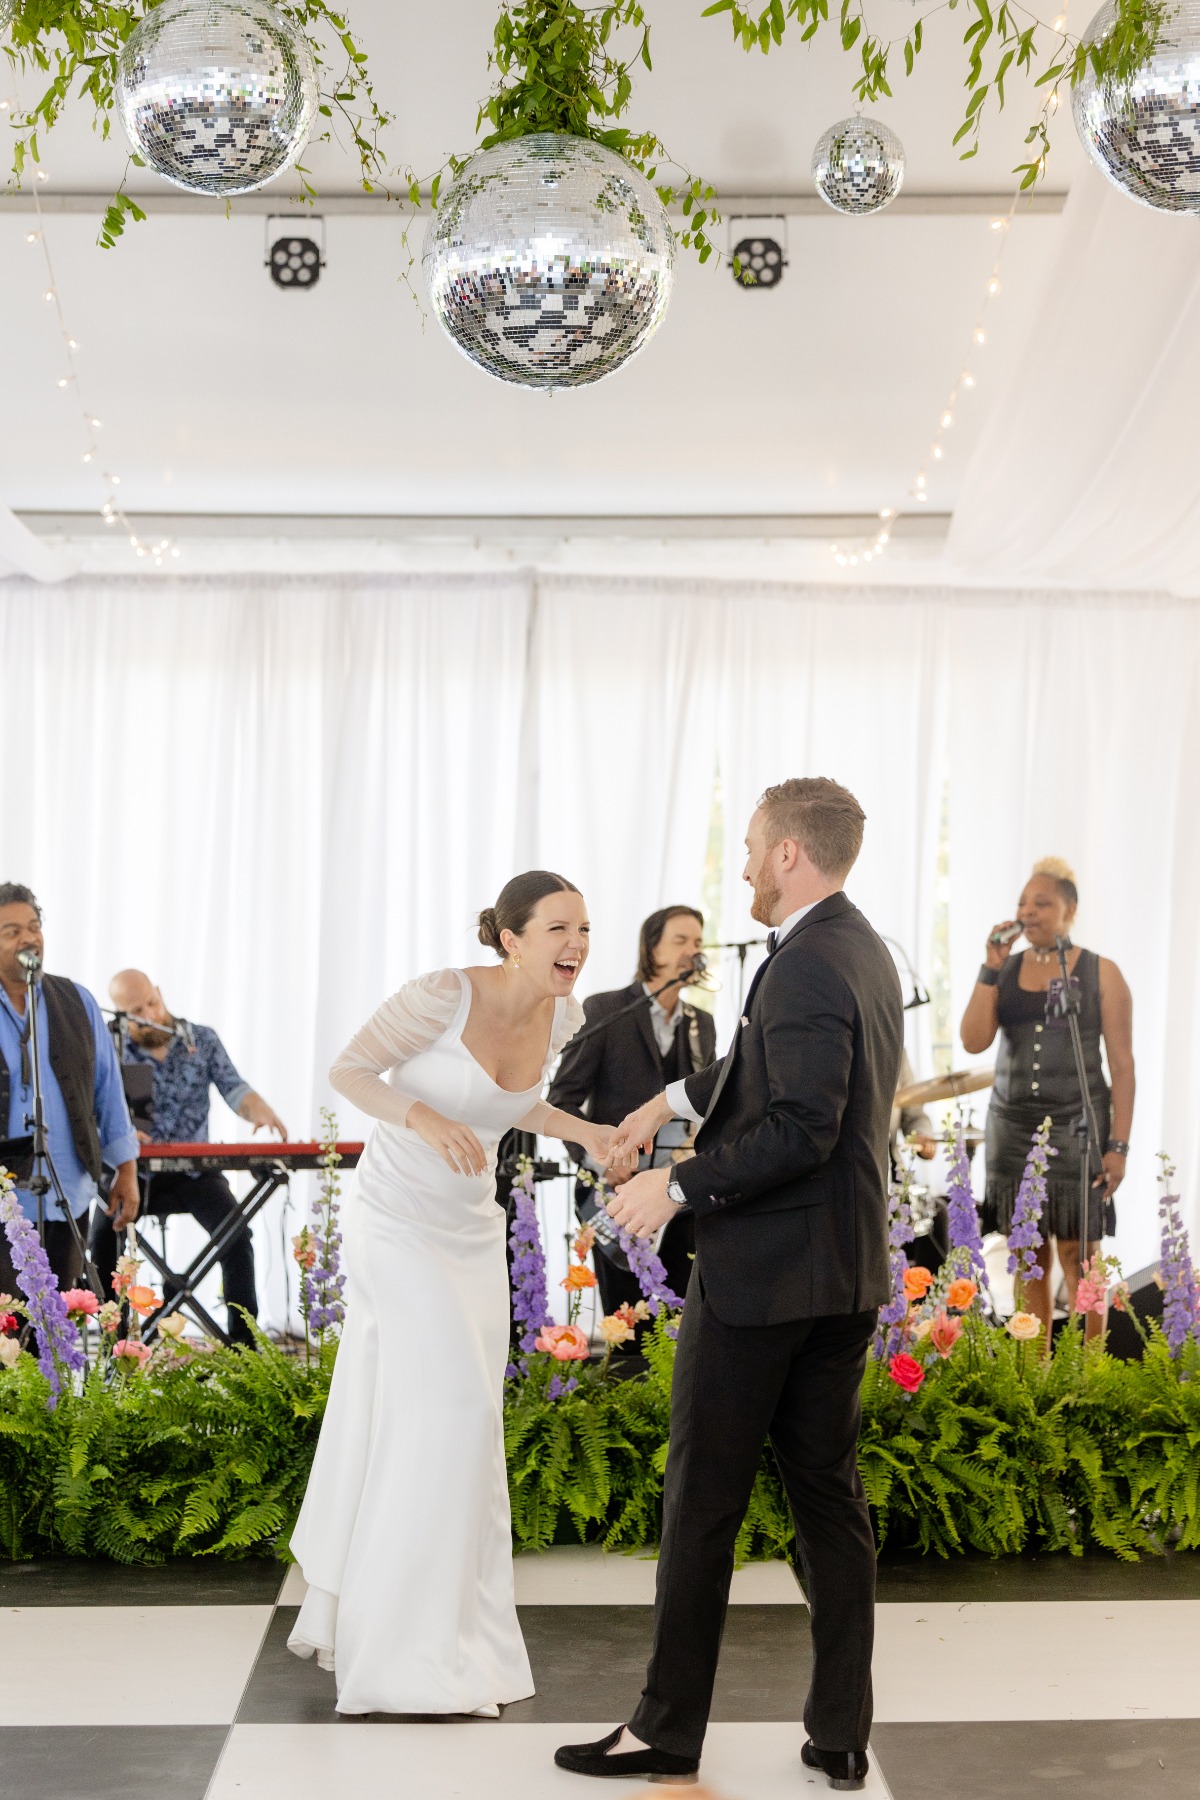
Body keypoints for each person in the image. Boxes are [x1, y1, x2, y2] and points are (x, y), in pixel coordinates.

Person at [555, 778, 903, 1793]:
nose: (745, 864)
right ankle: (839, 1732)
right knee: (828, 1502)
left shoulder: (802, 963)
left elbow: (802, 1123)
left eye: (753, 847)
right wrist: (659, 1104)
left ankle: (666, 1732)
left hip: (764, 1277)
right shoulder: (859, 949)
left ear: (792, 852)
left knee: (701, 1498)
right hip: (842, 1275)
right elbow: (762, 1073)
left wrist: (678, 1182)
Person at [287, 871, 616, 1717]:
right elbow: (350, 1070)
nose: (576, 943)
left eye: (583, 928)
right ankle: (398, 1656)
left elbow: (517, 1105)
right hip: (397, 1223)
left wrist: (587, 1132)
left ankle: (457, 1640)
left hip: (471, 1234)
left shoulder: (565, 1014)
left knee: (462, 1421)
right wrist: (423, 1118)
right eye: (557, 928)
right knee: (449, 1411)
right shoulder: (440, 996)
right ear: (510, 938)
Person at [960, 856, 1134, 1342]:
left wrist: (1118, 1146)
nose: (1028, 911)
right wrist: (989, 969)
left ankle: (1090, 1376)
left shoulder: (1104, 973)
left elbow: (1123, 1065)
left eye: (1042, 903)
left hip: (1079, 1129)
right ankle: (1034, 1380)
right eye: (1022, 902)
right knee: (1026, 1257)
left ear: (1069, 910)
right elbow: (973, 1041)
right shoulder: (1005, 968)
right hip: (1012, 1130)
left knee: (1081, 1257)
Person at [88, 969, 288, 1349]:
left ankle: (243, 1347)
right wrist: (117, 1130)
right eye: (135, 1010)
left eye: (152, 1002)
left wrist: (258, 1110)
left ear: (160, 993)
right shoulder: (109, 1049)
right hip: (133, 1172)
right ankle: (117, 1345)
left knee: (237, 1237)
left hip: (196, 1174)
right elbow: (90, 1108)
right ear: (118, 1014)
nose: (148, 1013)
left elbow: (234, 1087)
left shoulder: (201, 1039)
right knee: (102, 1238)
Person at [547, 905, 717, 1331]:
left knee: (678, 1324)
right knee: (623, 1328)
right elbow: (562, 1100)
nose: (691, 951)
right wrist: (600, 1160)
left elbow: (710, 1109)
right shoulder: (607, 1009)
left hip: (679, 1194)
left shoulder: (703, 1025)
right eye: (680, 941)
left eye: (697, 942)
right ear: (651, 948)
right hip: (614, 1193)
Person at [0, 884, 139, 1302]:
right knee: (8, 1334)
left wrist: (126, 1169)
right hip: (4, 1200)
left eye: (34, 927)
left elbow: (107, 1089)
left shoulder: (76, 1000)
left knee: (58, 1326)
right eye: (11, 931)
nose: (28, 938)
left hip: (67, 1194)